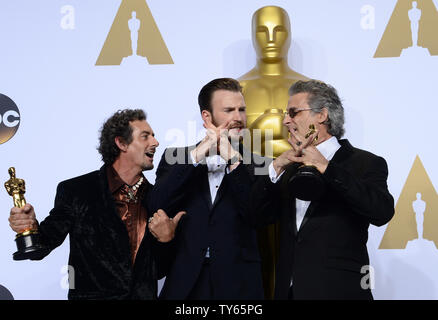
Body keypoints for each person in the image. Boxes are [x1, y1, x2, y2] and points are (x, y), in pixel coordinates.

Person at [8, 109, 183, 300]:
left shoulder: (156, 198)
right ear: (121, 143)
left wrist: (167, 240)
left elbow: (158, 272)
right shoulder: (77, 190)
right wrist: (29, 229)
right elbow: (41, 247)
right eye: (145, 136)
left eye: (154, 136)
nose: (155, 142)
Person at [250, 80, 395, 299]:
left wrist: (325, 167)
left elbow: (381, 212)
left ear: (322, 115)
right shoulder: (289, 167)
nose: (285, 120)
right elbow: (255, 217)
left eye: (293, 112)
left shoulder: (364, 163)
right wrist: (275, 168)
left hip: (339, 292)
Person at [149, 78, 268, 300]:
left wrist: (233, 161)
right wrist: (198, 154)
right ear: (207, 116)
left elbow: (256, 216)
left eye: (242, 110)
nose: (238, 118)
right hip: (184, 285)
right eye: (229, 110)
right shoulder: (176, 158)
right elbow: (157, 204)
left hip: (239, 287)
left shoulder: (262, 164)